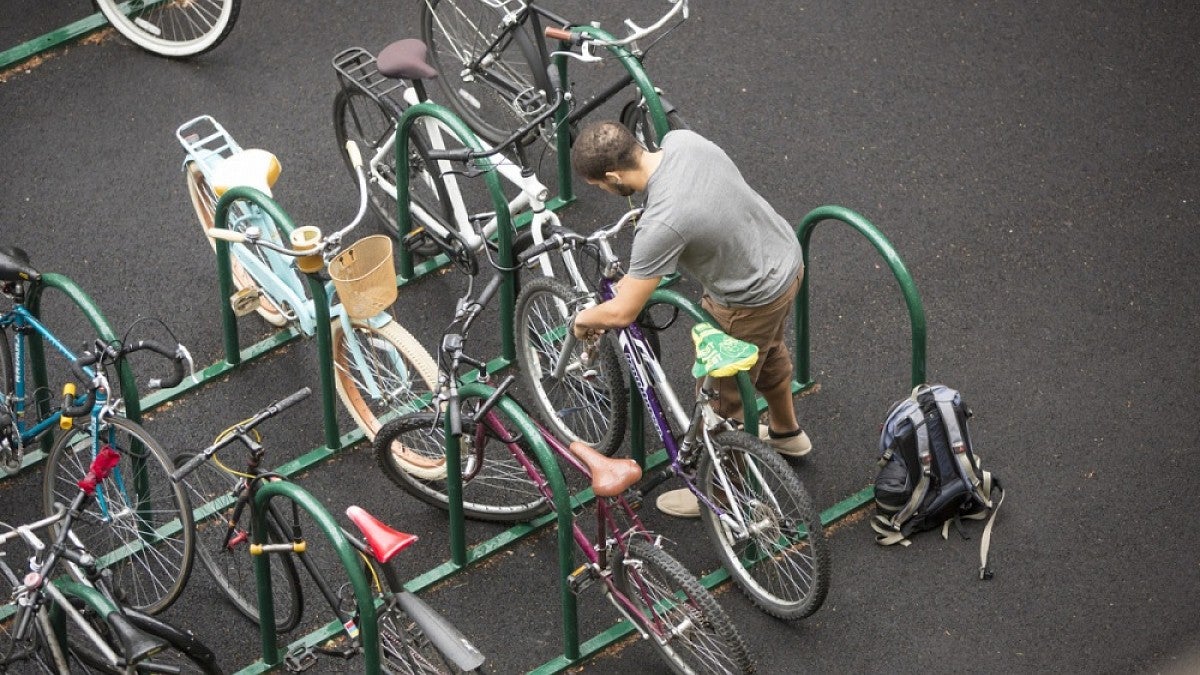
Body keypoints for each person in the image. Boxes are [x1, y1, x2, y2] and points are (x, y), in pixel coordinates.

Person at [569, 121, 810, 518]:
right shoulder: (683, 142)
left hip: (748, 297)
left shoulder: (661, 223)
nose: (604, 191)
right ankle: (787, 433)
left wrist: (584, 319)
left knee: (721, 397)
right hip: (785, 260)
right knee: (766, 351)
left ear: (613, 176)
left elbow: (623, 310)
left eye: (600, 186)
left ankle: (719, 493)